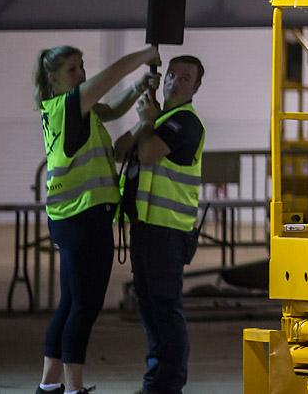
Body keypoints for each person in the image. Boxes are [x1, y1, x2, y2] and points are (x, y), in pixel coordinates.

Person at [35, 44, 160, 394]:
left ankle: (49, 385)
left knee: (71, 303)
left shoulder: (63, 109)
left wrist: (140, 86)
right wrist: (145, 55)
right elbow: (111, 78)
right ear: (53, 78)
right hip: (84, 216)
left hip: (71, 216)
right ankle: (73, 389)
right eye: (73, 70)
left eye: (82, 67)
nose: (82, 74)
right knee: (84, 306)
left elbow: (112, 107)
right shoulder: (71, 105)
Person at [117, 55, 206, 394]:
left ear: (196, 87)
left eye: (185, 78)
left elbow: (147, 152)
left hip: (168, 231)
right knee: (150, 306)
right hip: (147, 228)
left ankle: (167, 383)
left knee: (164, 308)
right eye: (172, 74)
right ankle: (157, 379)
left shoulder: (185, 122)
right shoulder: (161, 118)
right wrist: (145, 121)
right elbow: (120, 149)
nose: (174, 81)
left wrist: (146, 121)